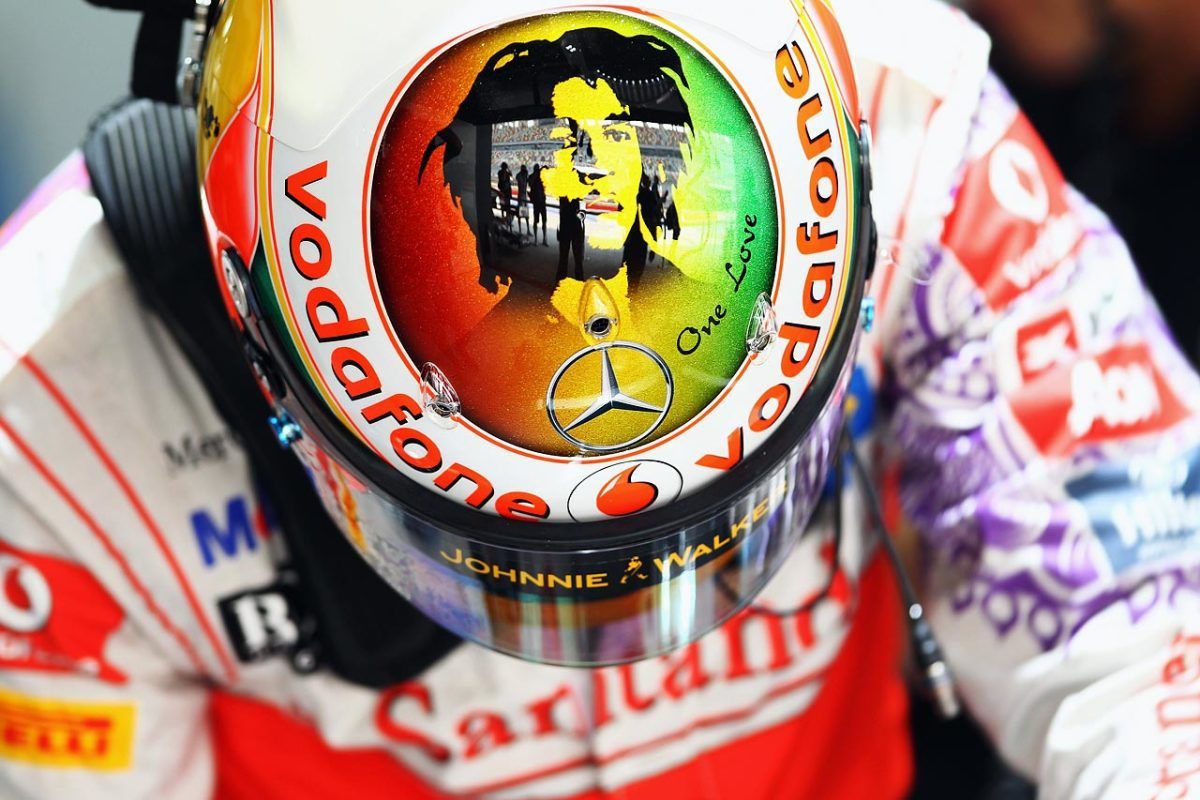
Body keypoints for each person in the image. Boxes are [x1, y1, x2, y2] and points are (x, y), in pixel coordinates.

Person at [1, 3, 1198, 800]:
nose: (586, 186)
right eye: (533, 162)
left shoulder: (921, 128)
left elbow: (1148, 644)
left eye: (629, 154)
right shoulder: (52, 407)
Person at [529, 163, 548, 246]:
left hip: (541, 202)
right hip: (537, 202)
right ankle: (536, 239)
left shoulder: (540, 177)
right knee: (536, 221)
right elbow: (530, 183)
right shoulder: (532, 177)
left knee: (544, 221)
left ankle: (543, 239)